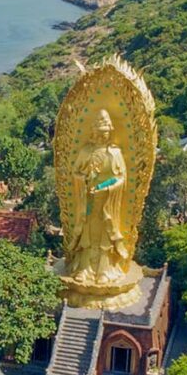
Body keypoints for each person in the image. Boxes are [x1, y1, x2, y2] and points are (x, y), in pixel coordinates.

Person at [66, 109, 128, 283]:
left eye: (105, 134)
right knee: (87, 233)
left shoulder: (115, 153)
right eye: (99, 133)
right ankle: (84, 269)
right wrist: (84, 182)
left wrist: (107, 188)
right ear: (93, 132)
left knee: (105, 234)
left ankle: (104, 270)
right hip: (88, 200)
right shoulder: (86, 152)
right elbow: (76, 172)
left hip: (107, 201)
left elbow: (121, 177)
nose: (102, 137)